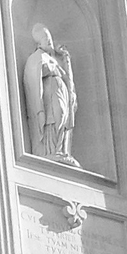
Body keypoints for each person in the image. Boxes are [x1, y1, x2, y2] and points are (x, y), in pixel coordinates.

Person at [22, 25, 78, 164]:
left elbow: (67, 78)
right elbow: (34, 75)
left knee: (63, 116)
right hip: (50, 93)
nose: (49, 41)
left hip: (60, 91)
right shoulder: (36, 57)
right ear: (38, 43)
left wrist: (65, 59)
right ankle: (50, 150)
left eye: (49, 39)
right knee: (55, 117)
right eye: (45, 39)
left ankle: (61, 149)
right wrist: (51, 68)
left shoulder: (54, 59)